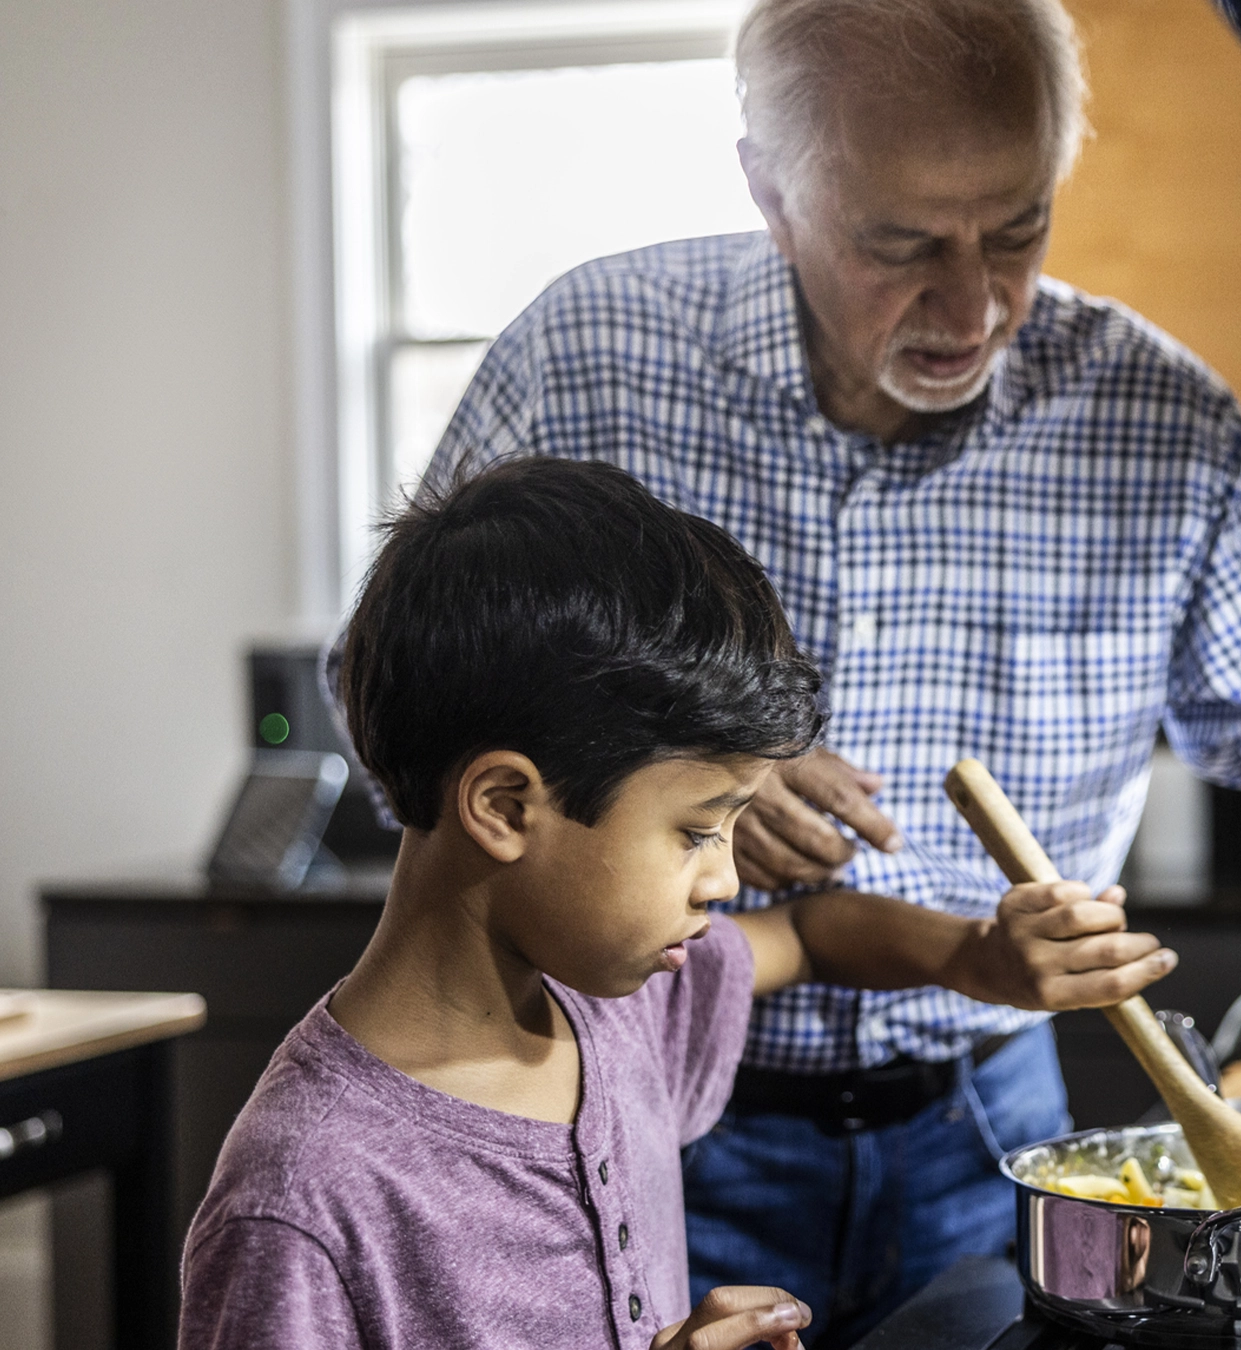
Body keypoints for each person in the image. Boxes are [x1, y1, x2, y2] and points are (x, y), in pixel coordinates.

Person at [420, 0, 1241, 1341]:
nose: (974, 303)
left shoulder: (1155, 421)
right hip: (622, 1105)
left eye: (1017, 227)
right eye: (901, 246)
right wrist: (660, 762)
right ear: (771, 191)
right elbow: (406, 707)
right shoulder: (589, 355)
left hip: (989, 1129)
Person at [182, 458, 1174, 1349]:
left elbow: (808, 934)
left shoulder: (616, 1012)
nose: (727, 878)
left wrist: (970, 960)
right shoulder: (304, 1198)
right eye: (696, 831)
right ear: (504, 805)